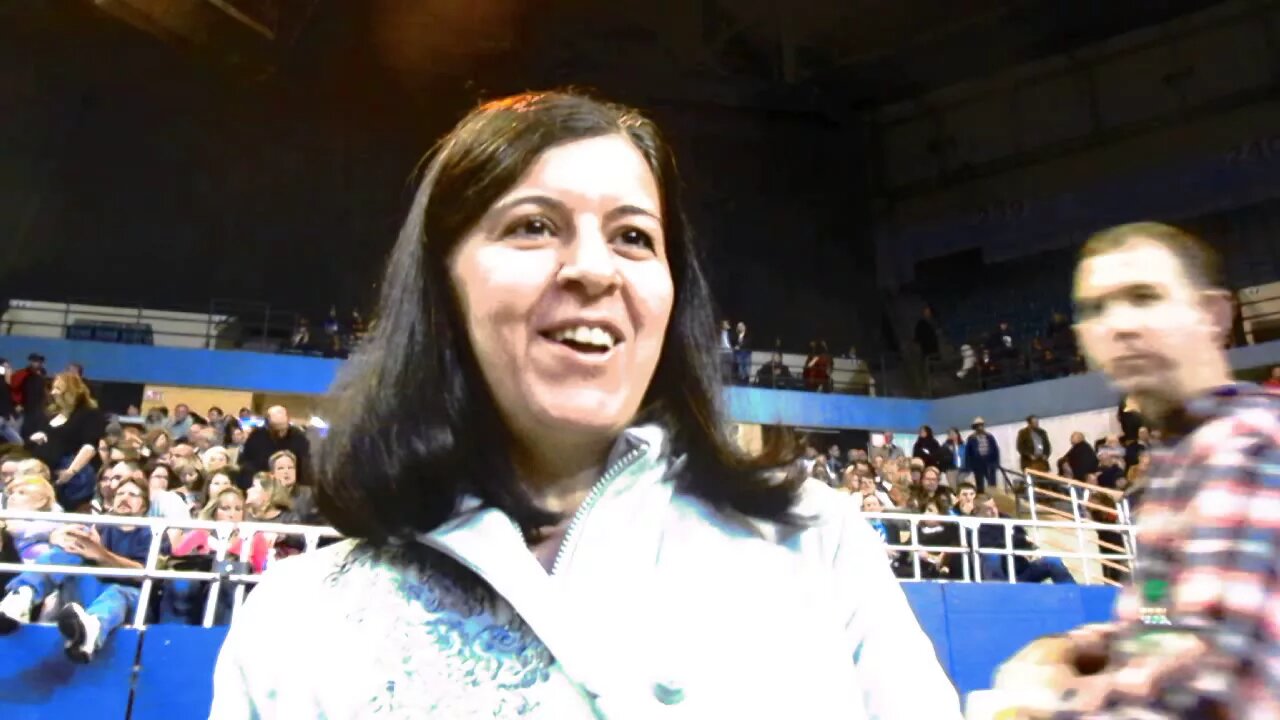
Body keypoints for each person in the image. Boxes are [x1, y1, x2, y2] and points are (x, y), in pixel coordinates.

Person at [211, 90, 958, 718]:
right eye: (534, 226)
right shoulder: (298, 626)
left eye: (634, 236)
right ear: (444, 285)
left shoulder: (813, 544)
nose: (595, 269)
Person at [995, 222, 1280, 716]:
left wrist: (1044, 708)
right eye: (1095, 309)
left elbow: (1214, 694)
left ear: (1213, 315)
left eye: (1144, 296)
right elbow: (1161, 623)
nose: (1119, 324)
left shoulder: (1246, 449)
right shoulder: (1172, 469)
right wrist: (1076, 646)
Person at [26, 371, 106, 511]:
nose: (53, 392)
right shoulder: (51, 414)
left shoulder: (89, 413)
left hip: (71, 477)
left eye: (58, 388)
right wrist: (35, 438)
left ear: (70, 391)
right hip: (46, 473)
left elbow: (90, 446)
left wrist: (71, 471)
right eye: (53, 388)